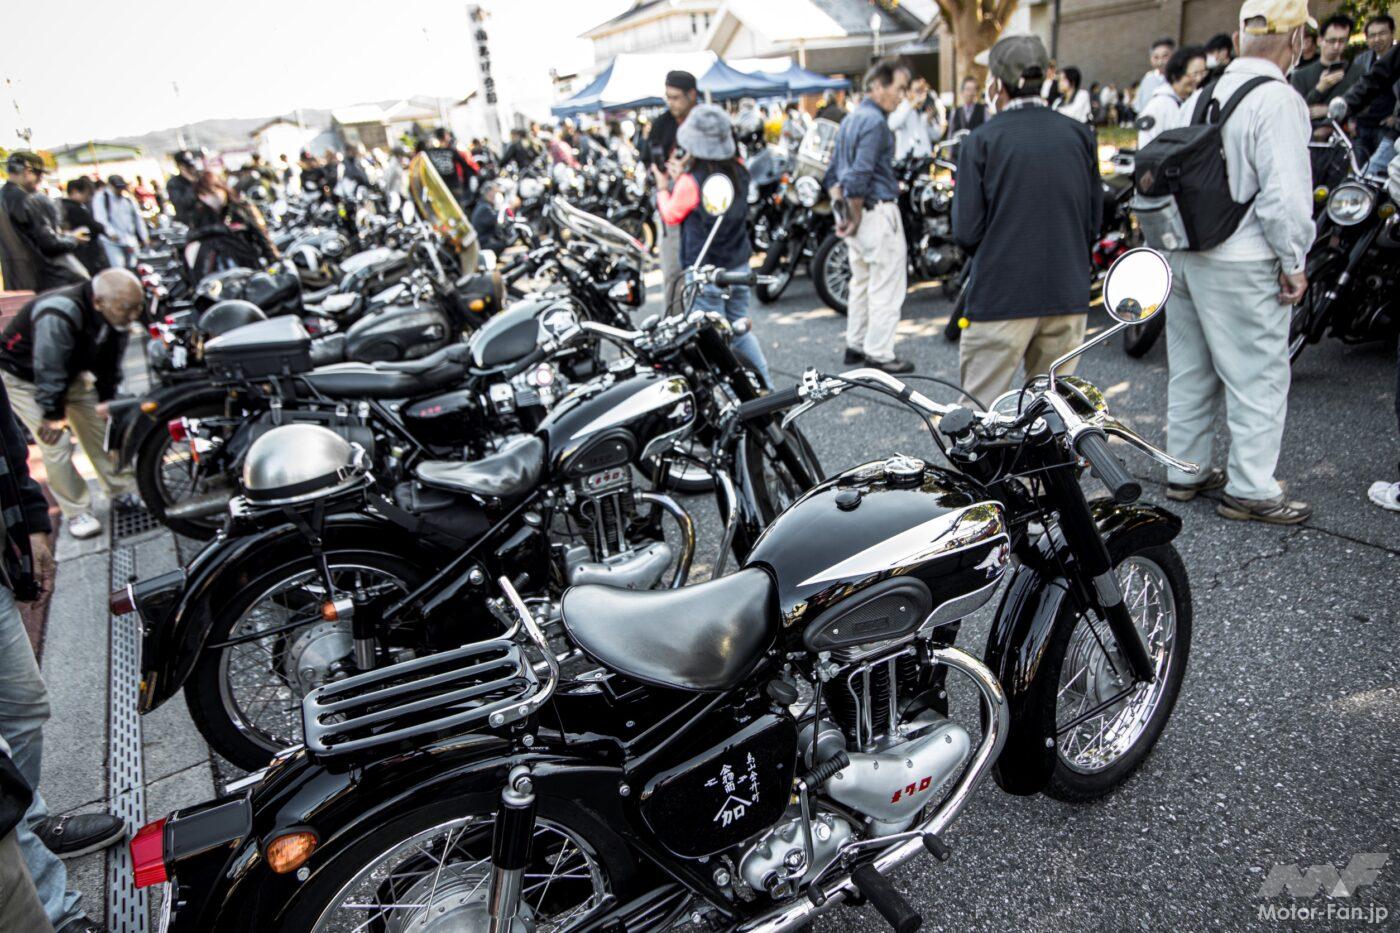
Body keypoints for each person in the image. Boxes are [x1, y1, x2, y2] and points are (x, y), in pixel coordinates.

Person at [1165, 0, 1317, 524]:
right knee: (1258, 376)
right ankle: (1251, 487)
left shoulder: (1202, 93)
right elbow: (1285, 199)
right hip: (1242, 259)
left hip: (1184, 253)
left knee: (1191, 370)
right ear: (1295, 38)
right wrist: (1293, 262)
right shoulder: (1278, 99)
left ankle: (1185, 470)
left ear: (1240, 33)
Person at [951, 34, 1100, 405]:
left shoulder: (981, 140)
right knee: (1053, 413)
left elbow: (966, 231)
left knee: (980, 418)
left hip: (1001, 296)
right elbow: (1093, 221)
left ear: (996, 85)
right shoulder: (1080, 135)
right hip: (1067, 292)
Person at [0, 268, 144, 538]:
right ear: (98, 302)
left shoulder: (115, 314)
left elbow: (109, 363)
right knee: (55, 441)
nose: (133, 316)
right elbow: (48, 366)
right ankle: (77, 511)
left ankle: (122, 491)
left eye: (138, 307)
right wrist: (52, 414)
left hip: (69, 371)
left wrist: (105, 399)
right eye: (126, 309)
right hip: (24, 375)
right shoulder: (59, 312)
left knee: (100, 431)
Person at [654, 104, 771, 386]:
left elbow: (671, 214)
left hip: (706, 270)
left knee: (711, 338)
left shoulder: (691, 181)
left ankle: (729, 398)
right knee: (740, 330)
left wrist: (661, 187)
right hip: (738, 264)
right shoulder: (740, 171)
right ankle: (764, 386)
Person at [826, 58, 916, 374]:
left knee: (861, 282)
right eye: (899, 88)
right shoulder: (875, 122)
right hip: (875, 212)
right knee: (886, 284)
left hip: (856, 214)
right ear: (878, 85)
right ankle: (878, 352)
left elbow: (835, 171)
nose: (902, 96)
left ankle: (856, 344)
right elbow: (860, 172)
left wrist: (844, 215)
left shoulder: (851, 119)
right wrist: (854, 214)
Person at [644, 70, 699, 314]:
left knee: (705, 275)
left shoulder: (704, 120)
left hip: (703, 207)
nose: (671, 103)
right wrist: (663, 172)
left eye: (676, 97)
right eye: (668, 97)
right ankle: (674, 325)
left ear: (692, 95)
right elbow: (649, 159)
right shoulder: (661, 124)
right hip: (672, 204)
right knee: (673, 274)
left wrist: (691, 163)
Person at [1291, 13, 1365, 187]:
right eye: (1332, 41)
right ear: (1320, 41)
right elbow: (1297, 110)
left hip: (1346, 144)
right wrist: (1319, 88)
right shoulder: (1301, 75)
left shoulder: (1357, 72)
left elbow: (1363, 108)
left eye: (1342, 41)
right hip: (1311, 146)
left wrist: (1328, 110)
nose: (1337, 46)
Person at [1, 152, 89, 293]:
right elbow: (49, 244)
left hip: (16, 280)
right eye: (40, 175)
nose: (40, 180)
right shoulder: (29, 199)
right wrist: (74, 238)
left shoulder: (2, 197)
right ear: (28, 171)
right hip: (47, 279)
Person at [1332, 15, 1398, 175]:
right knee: (1363, 180)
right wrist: (1346, 105)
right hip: (1376, 128)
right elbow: (1375, 78)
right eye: (1372, 35)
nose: (1377, 39)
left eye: (1382, 33)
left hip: (1389, 126)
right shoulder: (1363, 60)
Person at [185, 172, 279, 279]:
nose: (210, 199)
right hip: (219, 272)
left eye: (213, 192)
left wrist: (275, 264)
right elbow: (192, 239)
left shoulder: (243, 208)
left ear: (222, 188)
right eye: (203, 195)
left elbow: (264, 238)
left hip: (249, 266)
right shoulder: (201, 216)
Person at [1137, 45, 1208, 147]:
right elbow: (1148, 149)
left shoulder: (1189, 101)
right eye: (1194, 74)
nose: (1199, 79)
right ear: (1175, 75)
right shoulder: (1159, 105)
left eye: (1203, 73)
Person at [92, 176, 147, 270]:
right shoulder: (101, 197)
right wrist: (110, 232)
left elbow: (137, 218)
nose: (119, 190)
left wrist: (144, 236)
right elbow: (100, 217)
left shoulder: (128, 199)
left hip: (129, 239)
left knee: (134, 267)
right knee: (119, 267)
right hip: (112, 241)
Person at [59, 178, 107, 276]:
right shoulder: (74, 208)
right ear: (75, 192)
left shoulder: (63, 205)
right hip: (83, 252)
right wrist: (101, 227)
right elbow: (92, 227)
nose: (89, 198)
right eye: (87, 194)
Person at [888, 76, 940, 159]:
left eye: (923, 91)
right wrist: (911, 104)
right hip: (907, 162)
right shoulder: (902, 107)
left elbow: (936, 136)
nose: (921, 94)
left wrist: (929, 121)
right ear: (908, 92)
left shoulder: (924, 109)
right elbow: (892, 124)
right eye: (917, 91)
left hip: (925, 159)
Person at [1134, 37, 1178, 112]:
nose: (1160, 62)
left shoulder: (1178, 78)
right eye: (1156, 57)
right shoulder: (1148, 78)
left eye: (1165, 56)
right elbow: (1139, 105)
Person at [469, 181, 513, 254]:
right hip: (483, 243)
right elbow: (499, 221)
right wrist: (503, 207)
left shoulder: (483, 205)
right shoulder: (484, 208)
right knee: (506, 243)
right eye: (495, 192)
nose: (497, 195)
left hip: (484, 241)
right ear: (489, 193)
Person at [165, 150, 201, 225]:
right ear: (180, 167)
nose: (192, 168)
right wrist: (190, 182)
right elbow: (181, 204)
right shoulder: (174, 184)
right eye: (188, 166)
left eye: (192, 165)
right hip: (189, 223)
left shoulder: (200, 178)